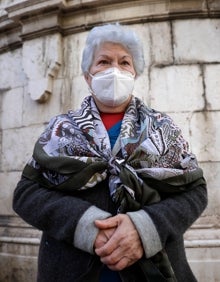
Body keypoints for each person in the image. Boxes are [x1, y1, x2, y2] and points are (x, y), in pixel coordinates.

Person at [13, 23, 207, 282]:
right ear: (88, 76)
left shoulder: (162, 129)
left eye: (124, 62)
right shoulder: (61, 129)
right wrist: (85, 225)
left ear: (134, 73)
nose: (115, 70)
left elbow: (195, 191)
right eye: (104, 61)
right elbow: (26, 194)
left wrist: (145, 228)